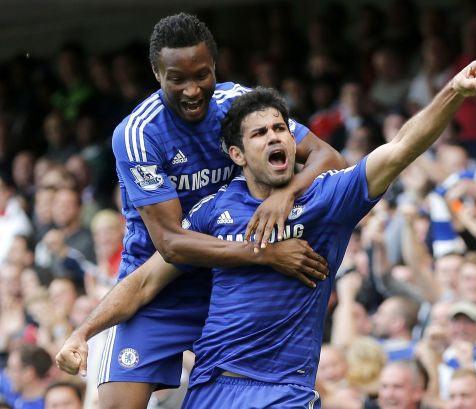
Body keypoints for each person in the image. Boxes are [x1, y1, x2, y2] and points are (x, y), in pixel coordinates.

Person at [58, 47, 476, 407]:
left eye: (280, 128)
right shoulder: (212, 211)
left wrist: (453, 93)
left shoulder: (327, 199)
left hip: (283, 393)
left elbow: (399, 149)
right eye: (259, 133)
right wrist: (83, 332)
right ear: (236, 155)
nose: (274, 137)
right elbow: (145, 282)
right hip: (212, 389)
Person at [57, 12, 342, 409]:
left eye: (202, 75)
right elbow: (172, 244)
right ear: (157, 73)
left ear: (215, 66)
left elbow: (328, 157)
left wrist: (287, 192)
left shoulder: (239, 105)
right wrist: (267, 254)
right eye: (178, 79)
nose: (193, 90)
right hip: (160, 282)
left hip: (234, 282)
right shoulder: (138, 133)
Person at [0, 345, 53, 409]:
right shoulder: (11, 392)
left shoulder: (49, 404)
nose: (7, 373)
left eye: (12, 369)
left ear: (28, 373)